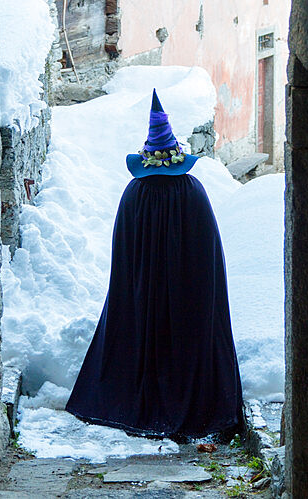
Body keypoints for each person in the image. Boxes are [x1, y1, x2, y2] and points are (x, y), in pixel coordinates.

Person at [65, 89, 245, 440]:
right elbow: (208, 261)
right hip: (186, 305)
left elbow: (124, 264)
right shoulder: (192, 192)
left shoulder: (134, 195)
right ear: (176, 157)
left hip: (142, 299)